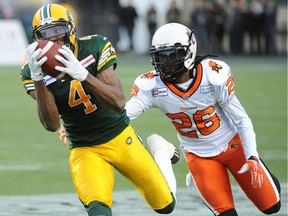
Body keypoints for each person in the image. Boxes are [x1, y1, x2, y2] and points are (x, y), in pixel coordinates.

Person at [20, 4, 179, 216]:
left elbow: (118, 102)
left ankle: (161, 151)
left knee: (166, 205)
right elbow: (51, 124)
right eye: (46, 35)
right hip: (84, 147)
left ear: (71, 31)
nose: (53, 41)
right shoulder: (32, 71)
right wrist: (39, 79)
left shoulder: (95, 46)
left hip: (119, 136)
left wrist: (83, 74)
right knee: (99, 212)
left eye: (59, 32)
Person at [125, 23, 281, 215]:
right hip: (199, 156)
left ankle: (267, 178)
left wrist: (252, 156)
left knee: (272, 206)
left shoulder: (213, 75)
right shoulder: (151, 86)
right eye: (161, 56)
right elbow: (123, 116)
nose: (166, 62)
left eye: (172, 55)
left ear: (189, 52)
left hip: (233, 145)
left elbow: (241, 120)